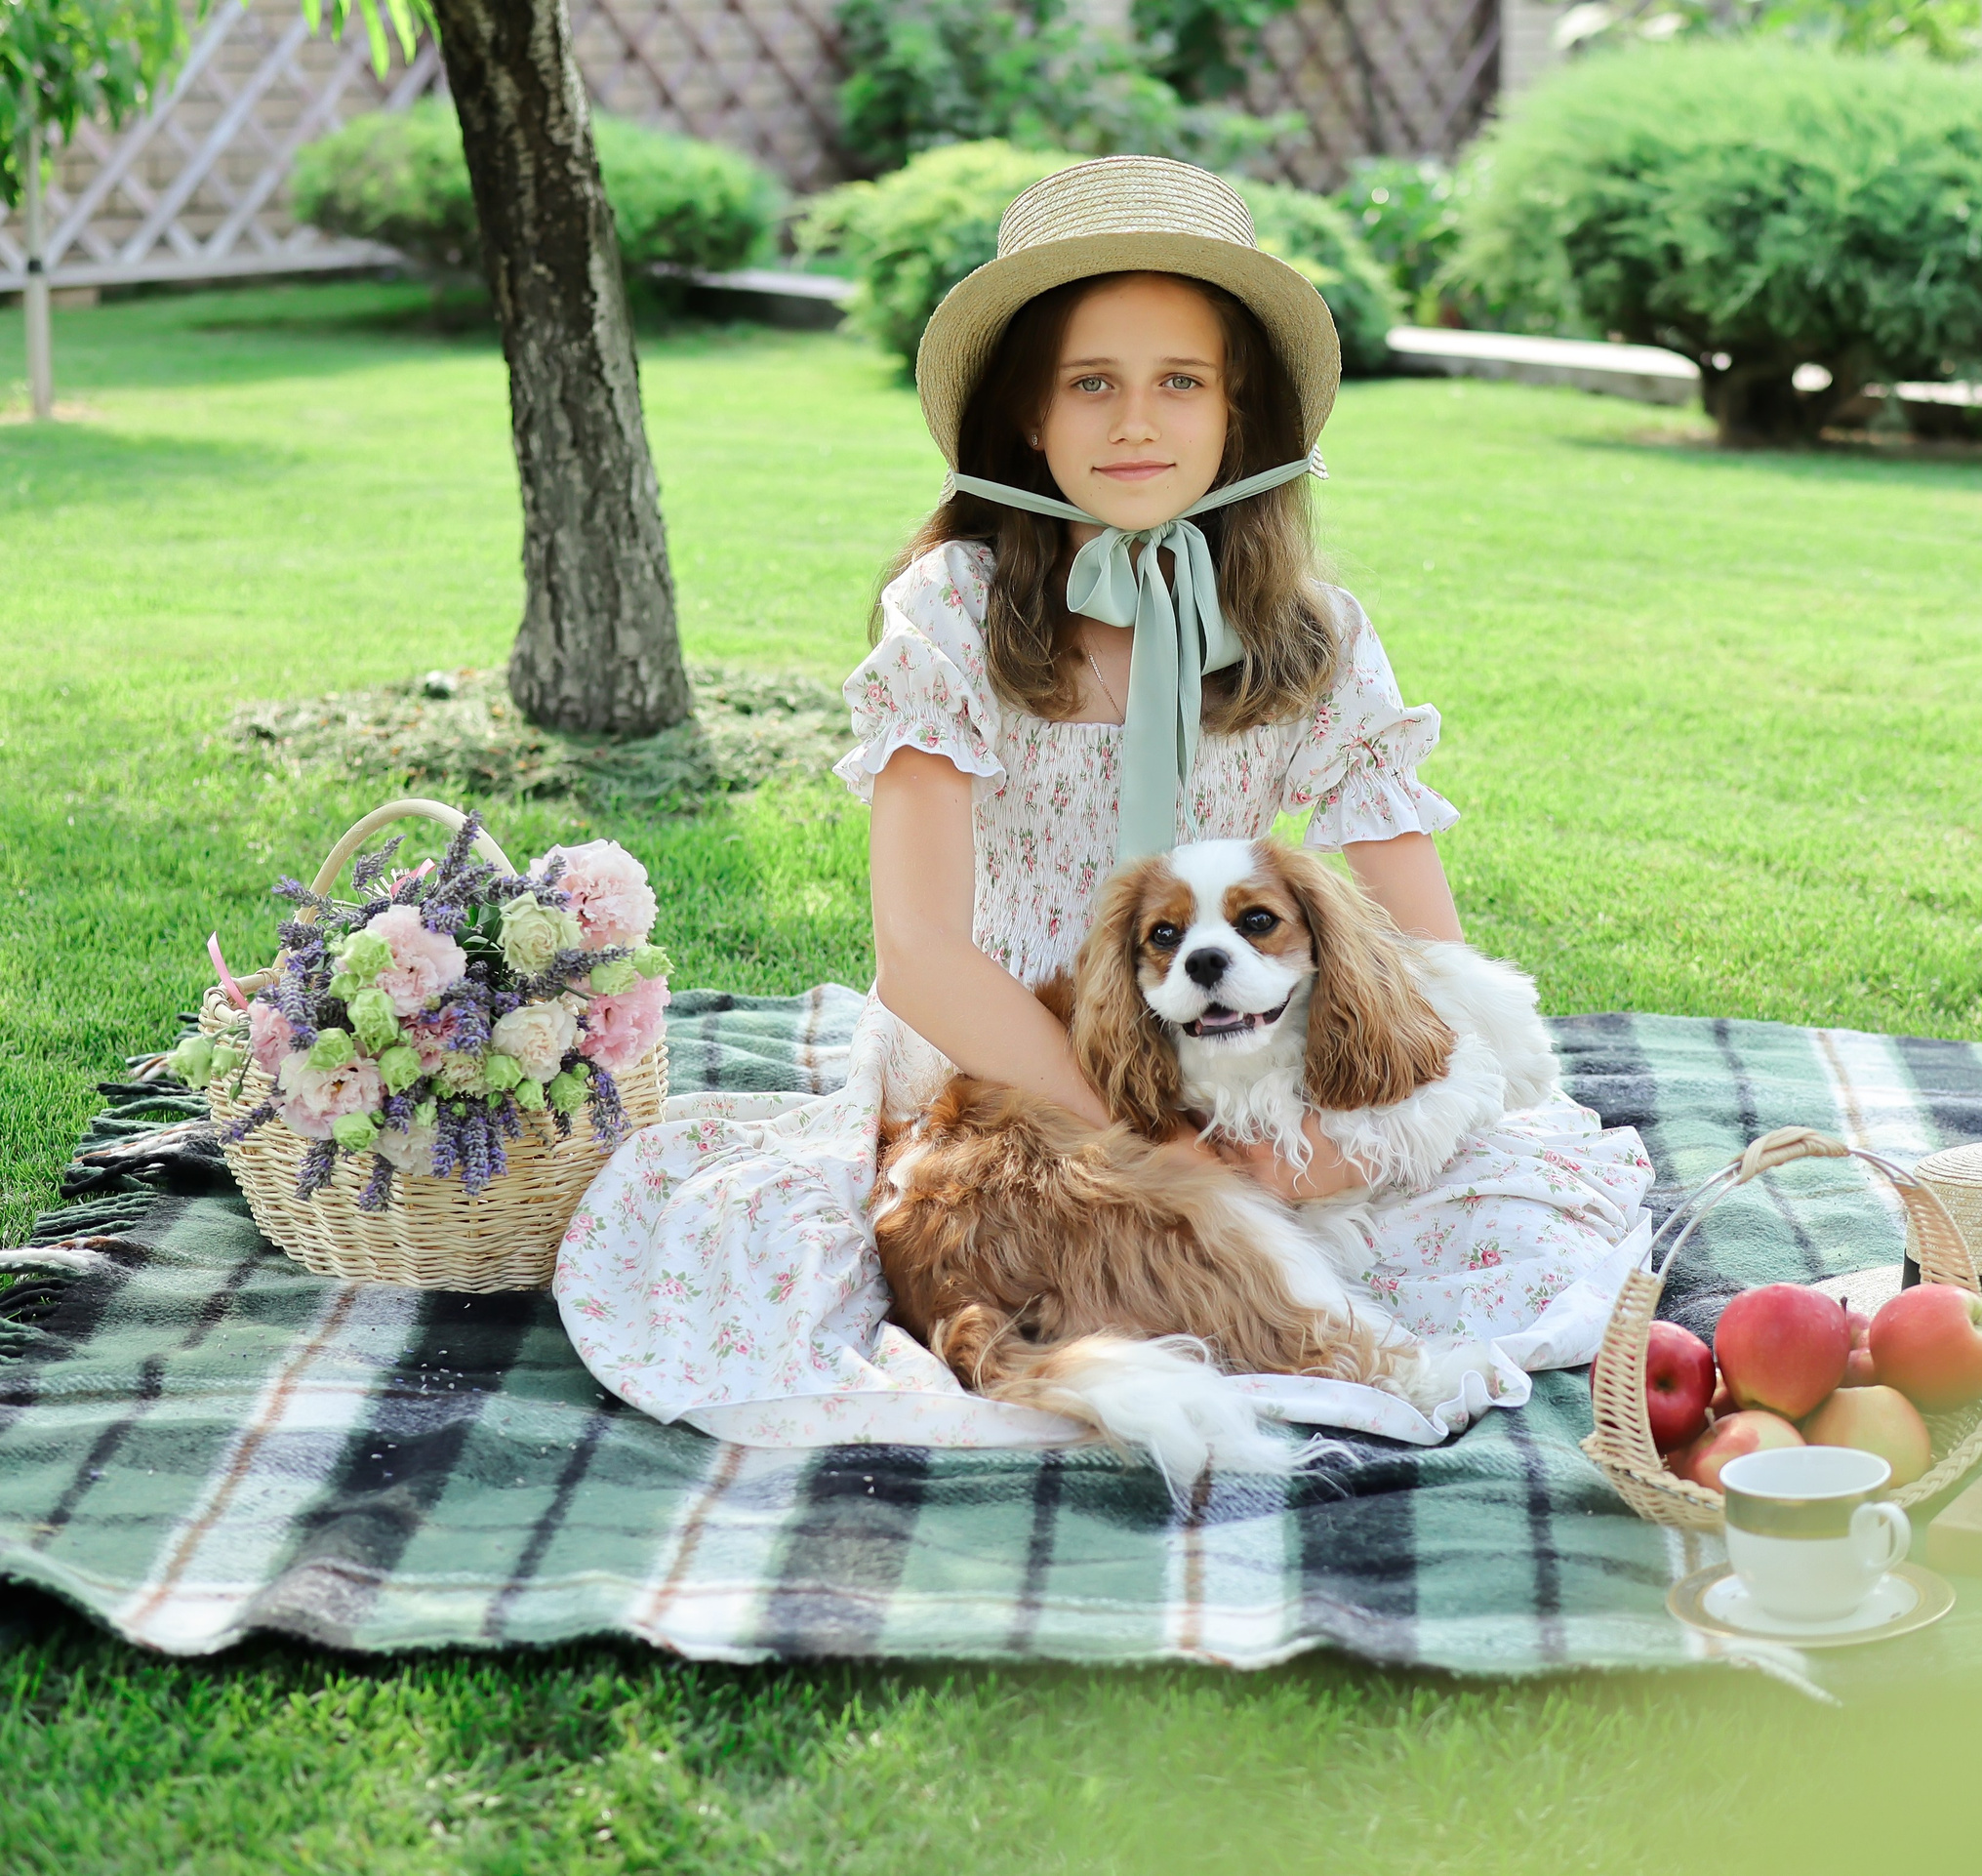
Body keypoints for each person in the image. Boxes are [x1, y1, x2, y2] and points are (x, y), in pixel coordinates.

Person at [552, 157, 1654, 1450]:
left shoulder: (1312, 635)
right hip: (1001, 1059)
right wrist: (1145, 1132)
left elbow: (1429, 951)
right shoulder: (956, 612)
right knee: (867, 1248)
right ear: (1028, 415)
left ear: (1238, 413)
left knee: (1523, 1204)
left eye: (1180, 381)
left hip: (1240, 1054)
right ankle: (1213, 1318)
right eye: (1093, 383)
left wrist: (1330, 1155)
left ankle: (1276, 1296)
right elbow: (919, 954)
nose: (1138, 423)